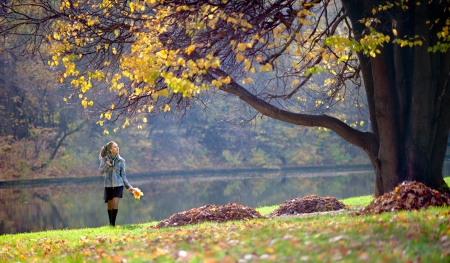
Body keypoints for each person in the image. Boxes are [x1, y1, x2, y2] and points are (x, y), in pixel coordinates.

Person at [99, 141, 134, 227]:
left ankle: (113, 225)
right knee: (110, 205)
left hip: (118, 185)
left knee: (115, 203)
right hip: (108, 185)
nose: (117, 148)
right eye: (115, 147)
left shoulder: (121, 161)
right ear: (110, 149)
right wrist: (108, 164)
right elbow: (101, 172)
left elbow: (123, 175)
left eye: (117, 146)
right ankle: (110, 224)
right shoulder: (104, 159)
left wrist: (128, 186)